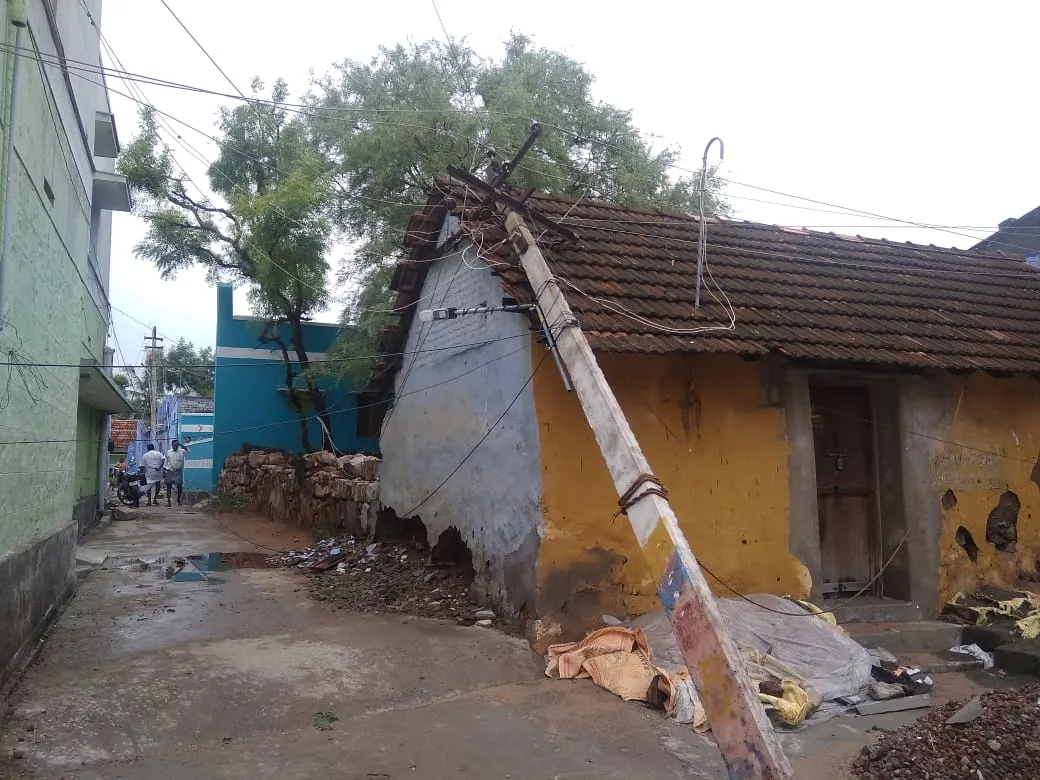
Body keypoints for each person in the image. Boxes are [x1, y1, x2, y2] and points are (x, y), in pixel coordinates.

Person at [163, 439, 187, 507]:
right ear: (172, 445)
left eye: (176, 445)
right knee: (169, 486)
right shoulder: (168, 452)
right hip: (170, 471)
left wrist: (180, 444)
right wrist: (164, 470)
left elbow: (188, 450)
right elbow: (165, 461)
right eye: (174, 445)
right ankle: (168, 502)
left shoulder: (182, 451)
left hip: (178, 471)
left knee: (179, 487)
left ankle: (179, 500)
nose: (175, 446)